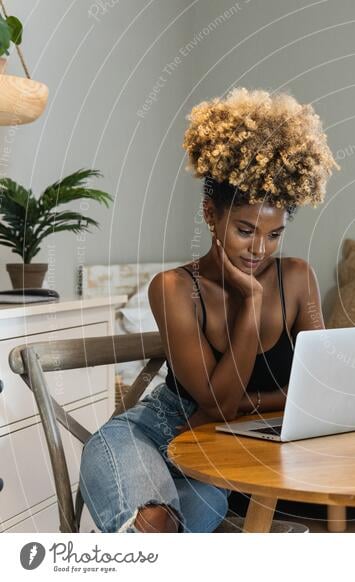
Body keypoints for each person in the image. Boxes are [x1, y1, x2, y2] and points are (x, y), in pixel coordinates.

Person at [78, 88, 339, 532]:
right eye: (244, 230)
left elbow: (325, 391)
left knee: (195, 514)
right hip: (153, 433)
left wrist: (249, 405)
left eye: (274, 235)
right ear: (210, 214)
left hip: (221, 447)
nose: (259, 249)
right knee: (154, 525)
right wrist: (252, 303)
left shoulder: (296, 279)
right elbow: (219, 403)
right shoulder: (175, 288)